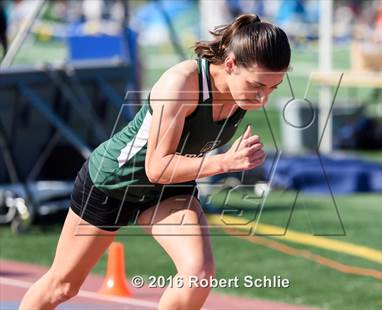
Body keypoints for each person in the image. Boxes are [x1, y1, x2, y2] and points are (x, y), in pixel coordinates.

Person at [19, 13, 290, 310]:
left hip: (168, 188)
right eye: (257, 86)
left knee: (197, 275)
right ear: (229, 65)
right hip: (113, 183)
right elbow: (156, 166)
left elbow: (167, 173)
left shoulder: (242, 92)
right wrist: (225, 163)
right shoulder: (182, 83)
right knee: (62, 286)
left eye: (272, 89)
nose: (263, 99)